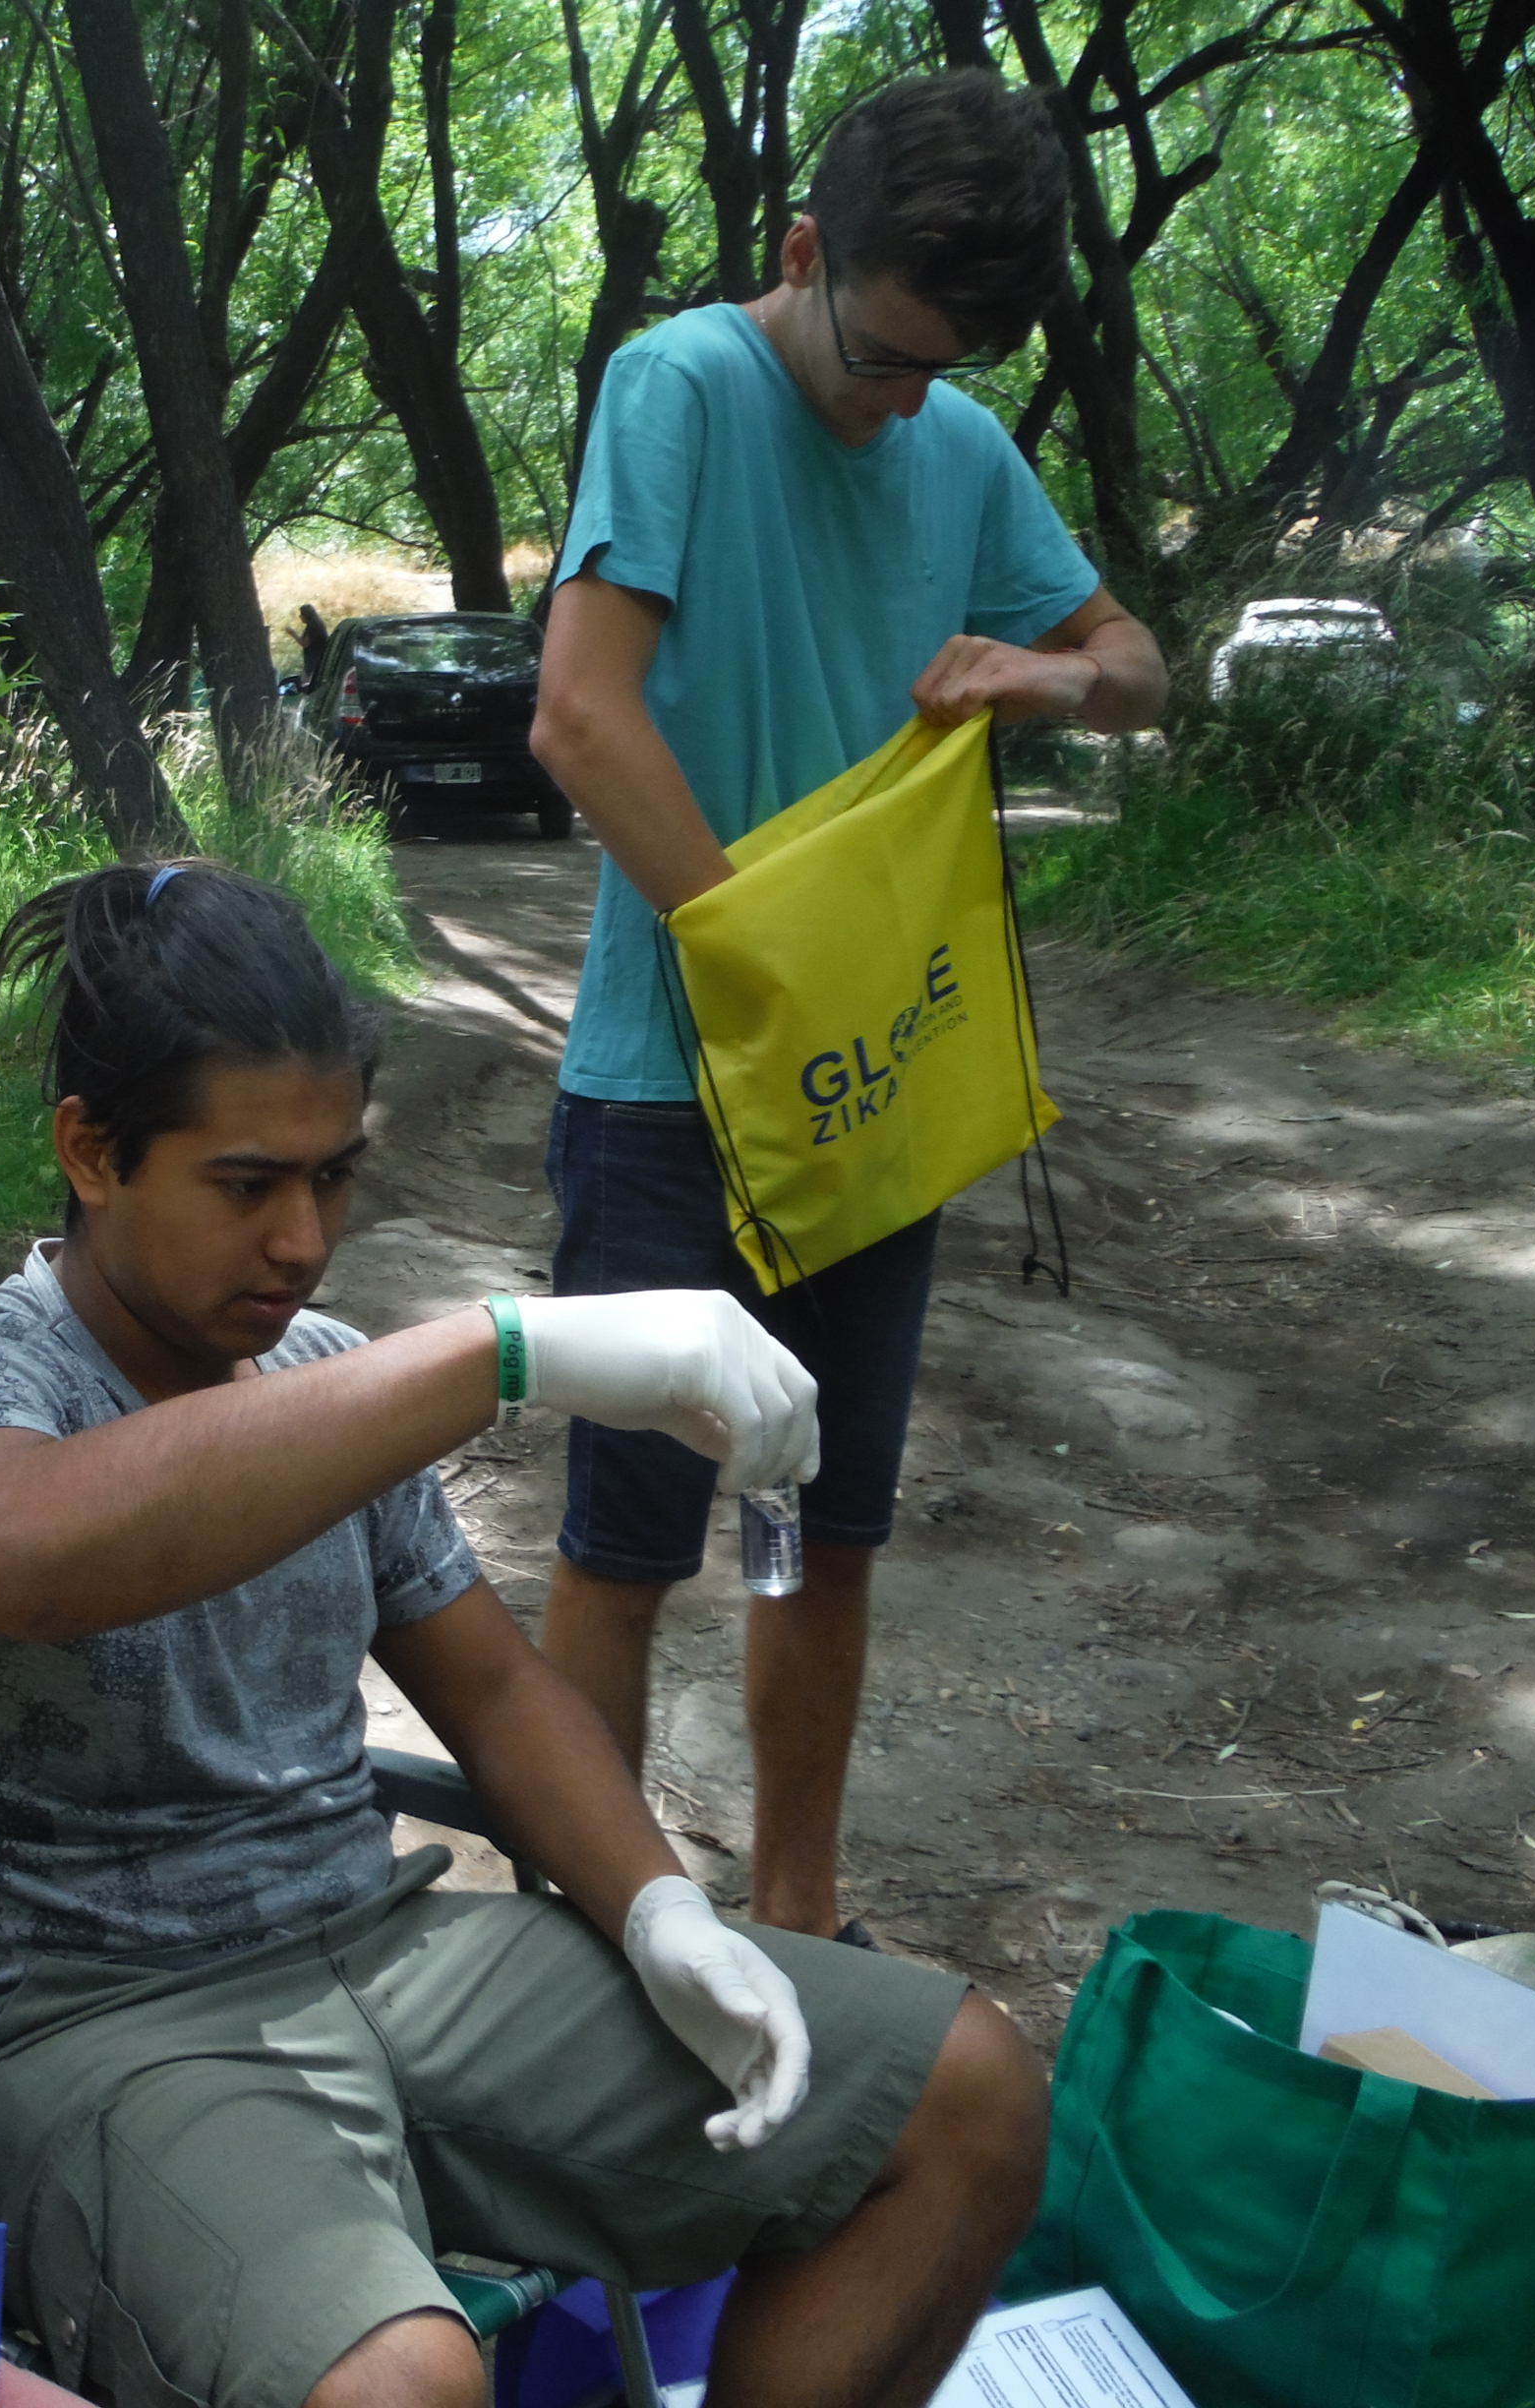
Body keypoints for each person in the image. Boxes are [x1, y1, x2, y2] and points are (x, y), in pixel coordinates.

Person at [0, 863, 1045, 2408]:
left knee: (965, 2099)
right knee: (404, 2384)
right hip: (80, 2022)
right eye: (247, 1183)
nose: (300, 1240)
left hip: (373, 1950)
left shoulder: (318, 1377)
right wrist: (497, 1350)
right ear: (91, 1152)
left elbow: (497, 1688)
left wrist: (662, 1911)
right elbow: (25, 1553)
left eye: (335, 1179)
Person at [528, 69, 1171, 1942]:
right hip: (673, 1091)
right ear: (805, 256)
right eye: (883, 356)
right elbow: (581, 713)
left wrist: (1046, 684)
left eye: (940, 371)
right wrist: (764, 960)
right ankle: (604, 1921)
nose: (904, 404)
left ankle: (799, 1920)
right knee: (626, 1537)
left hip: (871, 1105)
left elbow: (1136, 666)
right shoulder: (684, 390)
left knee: (820, 1525)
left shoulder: (958, 443)